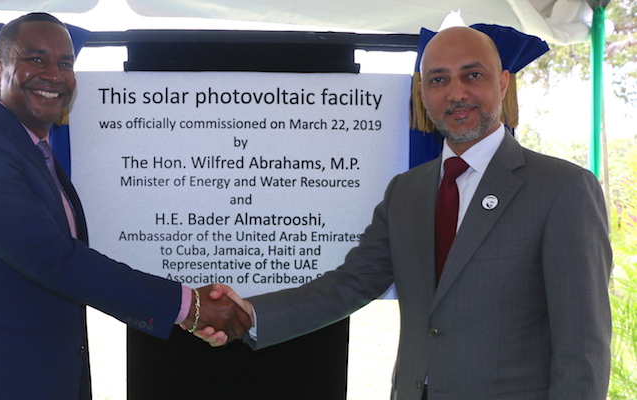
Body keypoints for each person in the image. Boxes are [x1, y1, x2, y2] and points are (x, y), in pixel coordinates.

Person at [199, 26, 612, 400]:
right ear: (422, 93)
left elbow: (584, 347)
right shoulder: (407, 191)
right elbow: (349, 284)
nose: (456, 93)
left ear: (503, 83)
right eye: (438, 79)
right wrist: (248, 315)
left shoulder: (563, 189)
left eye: (473, 75)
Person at [0, 12, 250, 400]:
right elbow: (54, 259)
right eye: (35, 59)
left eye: (66, 63)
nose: (54, 74)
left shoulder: (35, 154)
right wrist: (189, 307)